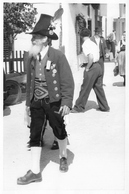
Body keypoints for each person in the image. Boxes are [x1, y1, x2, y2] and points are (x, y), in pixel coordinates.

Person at [17, 10, 74, 185]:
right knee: (35, 133)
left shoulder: (58, 56)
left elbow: (67, 81)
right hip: (36, 101)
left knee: (58, 129)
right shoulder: (31, 56)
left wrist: (66, 102)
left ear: (45, 39)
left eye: (37, 36)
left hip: (54, 101)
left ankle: (63, 156)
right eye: (33, 35)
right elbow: (30, 82)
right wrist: (28, 104)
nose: (33, 39)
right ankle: (35, 171)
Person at [71, 28, 110, 113]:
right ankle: (105, 107)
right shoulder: (93, 43)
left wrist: (87, 68)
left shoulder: (85, 44)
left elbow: (91, 57)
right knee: (98, 87)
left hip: (91, 67)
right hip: (98, 66)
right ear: (89, 35)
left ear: (81, 36)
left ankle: (79, 107)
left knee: (85, 87)